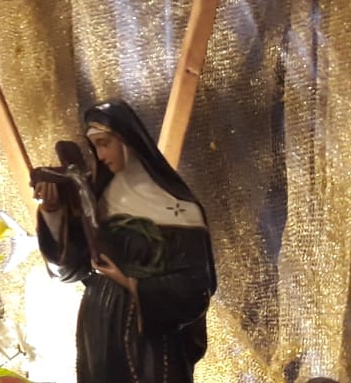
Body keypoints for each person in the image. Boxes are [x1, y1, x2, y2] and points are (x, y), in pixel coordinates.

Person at [35, 100, 216, 382]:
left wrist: (132, 284)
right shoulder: (97, 201)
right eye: (94, 146)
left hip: (151, 338)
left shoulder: (179, 207)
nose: (100, 155)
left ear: (127, 140)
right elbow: (69, 269)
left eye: (104, 143)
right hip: (99, 326)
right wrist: (53, 211)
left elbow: (195, 286)